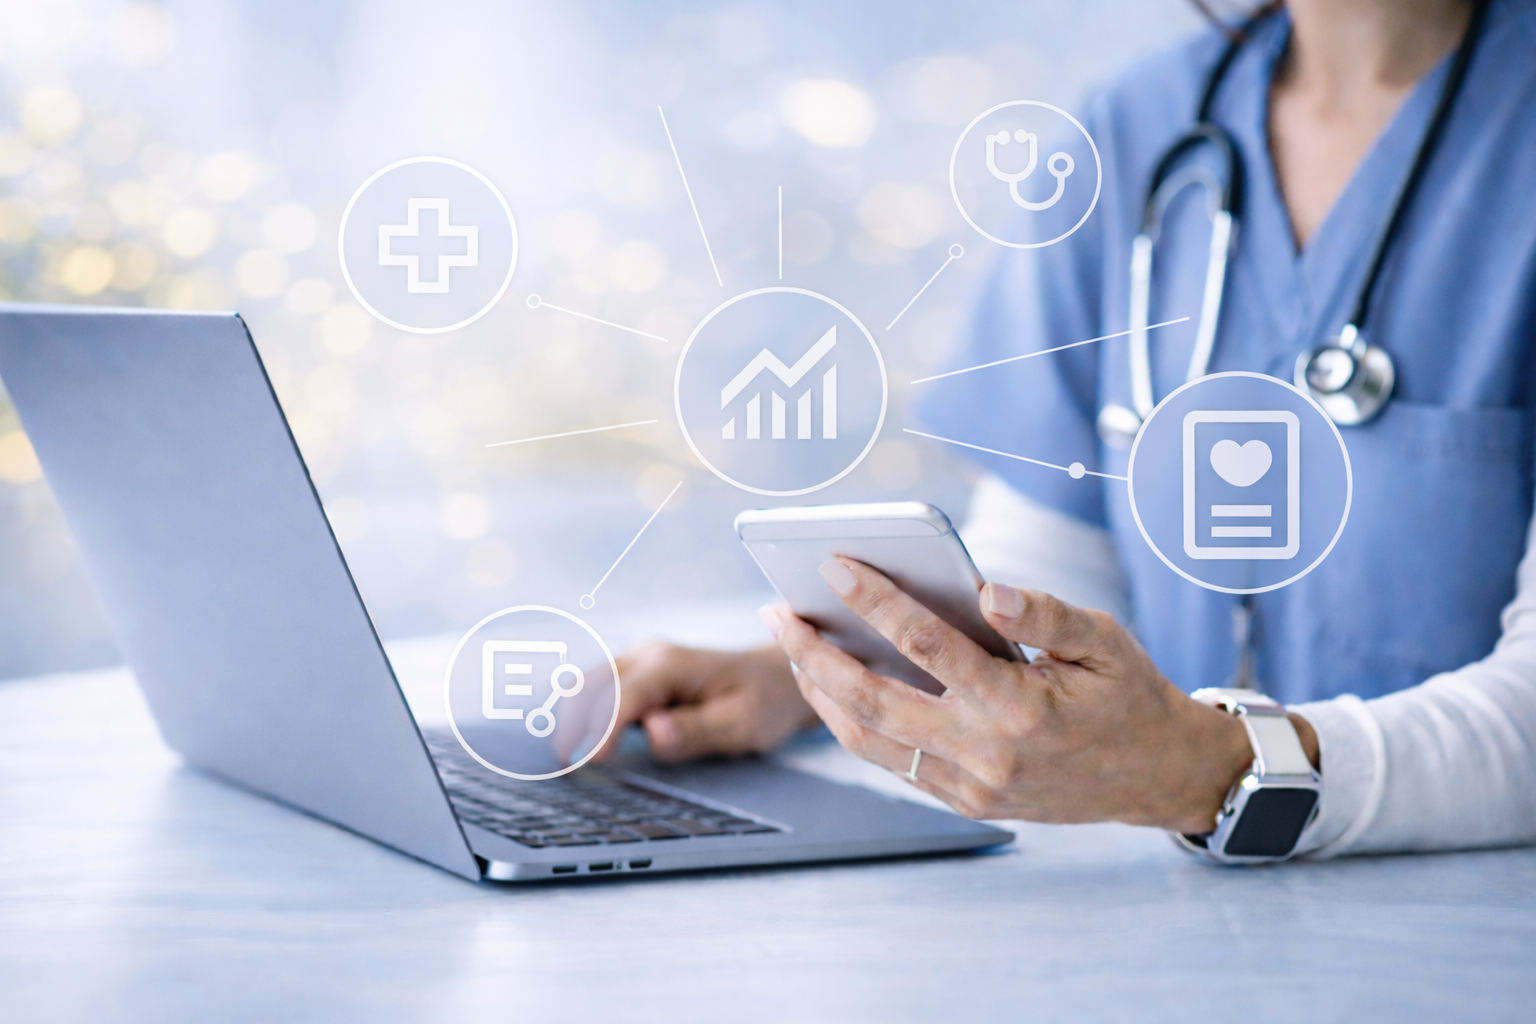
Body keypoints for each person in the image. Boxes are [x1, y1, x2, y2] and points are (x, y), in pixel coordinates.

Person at [598, 0, 1536, 858]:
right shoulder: (1138, 127)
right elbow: (1055, 564)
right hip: (1187, 924)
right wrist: (842, 675)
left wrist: (1208, 771)